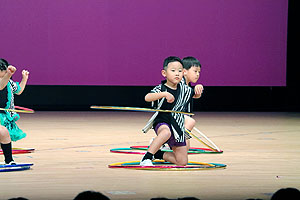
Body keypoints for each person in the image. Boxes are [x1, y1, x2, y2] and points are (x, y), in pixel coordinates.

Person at [141, 56, 194, 166]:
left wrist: (198, 90)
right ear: (164, 73)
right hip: (162, 121)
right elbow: (147, 97)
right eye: (173, 71)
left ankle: (159, 154)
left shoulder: (184, 89)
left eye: (180, 71)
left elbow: (194, 95)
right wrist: (164, 94)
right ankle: (147, 157)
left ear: (184, 72)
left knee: (182, 162)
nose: (177, 74)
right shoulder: (161, 88)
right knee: (166, 132)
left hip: (177, 126)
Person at [0, 58, 29, 165]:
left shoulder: (10, 83)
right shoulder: (3, 80)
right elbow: (0, 85)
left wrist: (24, 78)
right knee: (2, 132)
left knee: (4, 133)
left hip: (6, 116)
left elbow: (19, 90)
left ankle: (9, 160)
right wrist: (8, 75)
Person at [181, 56, 203, 151]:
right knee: (183, 148)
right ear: (184, 71)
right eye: (195, 71)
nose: (197, 74)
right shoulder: (180, 84)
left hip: (185, 118)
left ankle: (164, 143)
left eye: (199, 72)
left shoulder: (187, 85)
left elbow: (194, 95)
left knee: (185, 149)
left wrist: (198, 90)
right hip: (177, 118)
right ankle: (165, 141)